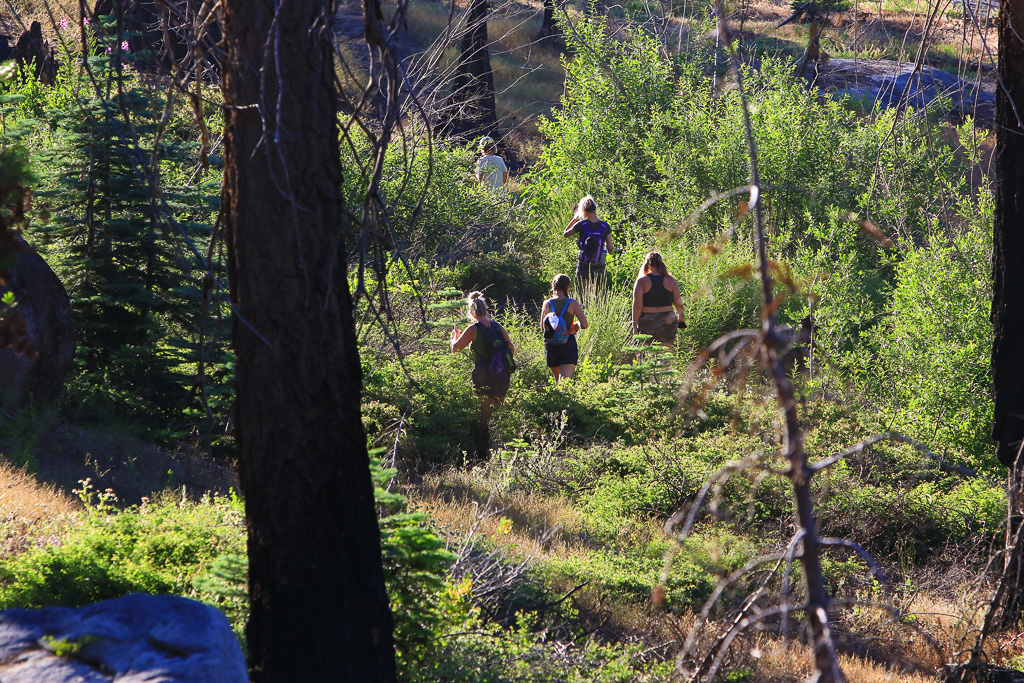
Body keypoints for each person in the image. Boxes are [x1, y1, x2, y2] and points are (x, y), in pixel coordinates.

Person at [451, 292, 515, 461]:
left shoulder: (473, 329)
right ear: (486, 310)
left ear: (471, 313)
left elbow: (455, 349)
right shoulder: (497, 326)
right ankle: (500, 449)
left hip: (483, 375)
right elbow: (512, 349)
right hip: (501, 375)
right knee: (498, 412)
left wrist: (454, 338)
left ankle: (483, 454)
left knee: (484, 416)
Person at [540, 274, 588, 382]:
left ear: (554, 286)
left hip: (551, 344)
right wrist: (576, 325)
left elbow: (543, 329)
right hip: (567, 343)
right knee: (565, 382)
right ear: (567, 286)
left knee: (558, 381)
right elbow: (584, 324)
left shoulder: (547, 304)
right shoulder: (573, 303)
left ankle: (557, 399)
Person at [632, 252, 685, 349]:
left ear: (647, 264)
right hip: (668, 320)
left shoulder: (642, 281)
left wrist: (635, 325)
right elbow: (678, 303)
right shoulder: (671, 281)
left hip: (647, 322)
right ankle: (666, 364)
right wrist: (681, 318)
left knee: (647, 353)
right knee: (665, 353)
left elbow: (637, 306)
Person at [563, 195, 613, 285]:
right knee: (599, 295)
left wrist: (575, 218)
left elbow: (565, 234)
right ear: (595, 209)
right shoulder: (605, 226)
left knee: (582, 294)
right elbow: (611, 250)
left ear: (583, 211)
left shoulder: (581, 224)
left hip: (583, 263)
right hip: (599, 263)